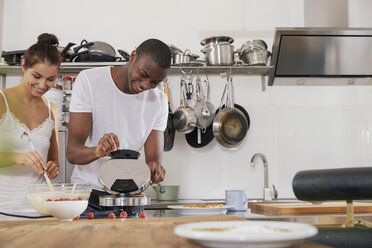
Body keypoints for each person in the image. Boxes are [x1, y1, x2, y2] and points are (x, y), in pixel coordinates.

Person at [67, 38, 171, 207]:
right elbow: (72, 153)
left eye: (154, 82)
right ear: (133, 56)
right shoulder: (89, 81)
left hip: (130, 197)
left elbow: (153, 163)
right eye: (143, 74)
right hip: (87, 194)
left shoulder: (158, 100)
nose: (145, 85)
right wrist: (97, 151)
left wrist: (155, 170)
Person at [0, 33, 60, 211]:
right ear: (23, 65)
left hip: (40, 209)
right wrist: (18, 157)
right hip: (3, 208)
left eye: (50, 79)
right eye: (36, 76)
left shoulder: (52, 109)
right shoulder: (2, 101)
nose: (42, 85)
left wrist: (53, 168)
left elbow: (54, 160)